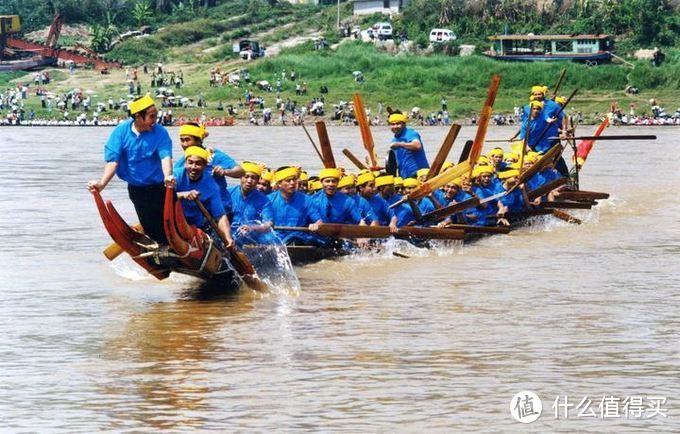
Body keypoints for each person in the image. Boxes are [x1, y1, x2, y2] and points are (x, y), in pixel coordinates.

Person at [87, 94, 174, 244]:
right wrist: (101, 184)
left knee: (170, 223)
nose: (155, 121)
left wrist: (168, 176)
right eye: (152, 117)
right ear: (138, 117)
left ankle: (175, 247)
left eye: (156, 116)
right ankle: (161, 250)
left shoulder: (160, 132)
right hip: (137, 189)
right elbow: (113, 162)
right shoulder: (120, 132)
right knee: (151, 228)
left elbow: (165, 157)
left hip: (161, 187)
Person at [174, 122, 244, 219]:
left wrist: (224, 171)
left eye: (188, 140)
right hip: (196, 211)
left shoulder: (214, 156)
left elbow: (240, 171)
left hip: (220, 208)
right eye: (182, 140)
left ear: (199, 141)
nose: (184, 144)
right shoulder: (183, 162)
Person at [174, 146, 234, 248]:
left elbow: (220, 216)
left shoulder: (211, 185)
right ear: (185, 163)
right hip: (174, 219)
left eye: (198, 164)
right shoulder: (176, 176)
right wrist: (182, 195)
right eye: (190, 162)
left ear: (205, 166)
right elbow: (160, 197)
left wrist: (228, 238)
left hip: (195, 225)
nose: (193, 167)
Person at [269, 166, 325, 246]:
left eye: (294, 179)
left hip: (298, 238)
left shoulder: (306, 200)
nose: (292, 183)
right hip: (275, 238)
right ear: (279, 184)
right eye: (288, 180)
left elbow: (319, 222)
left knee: (296, 241)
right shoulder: (269, 200)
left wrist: (316, 225)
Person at [229, 162, 274, 235]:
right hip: (227, 233)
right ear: (240, 177)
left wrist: (252, 228)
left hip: (251, 237)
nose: (249, 181)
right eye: (246, 177)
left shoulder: (264, 200)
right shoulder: (228, 193)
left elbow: (269, 224)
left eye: (253, 178)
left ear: (257, 180)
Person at [387, 112, 429, 179]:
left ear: (404, 124)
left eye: (398, 124)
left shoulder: (411, 133)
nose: (395, 127)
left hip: (420, 175)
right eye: (392, 124)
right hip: (405, 177)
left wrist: (400, 144)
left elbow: (417, 145)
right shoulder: (394, 140)